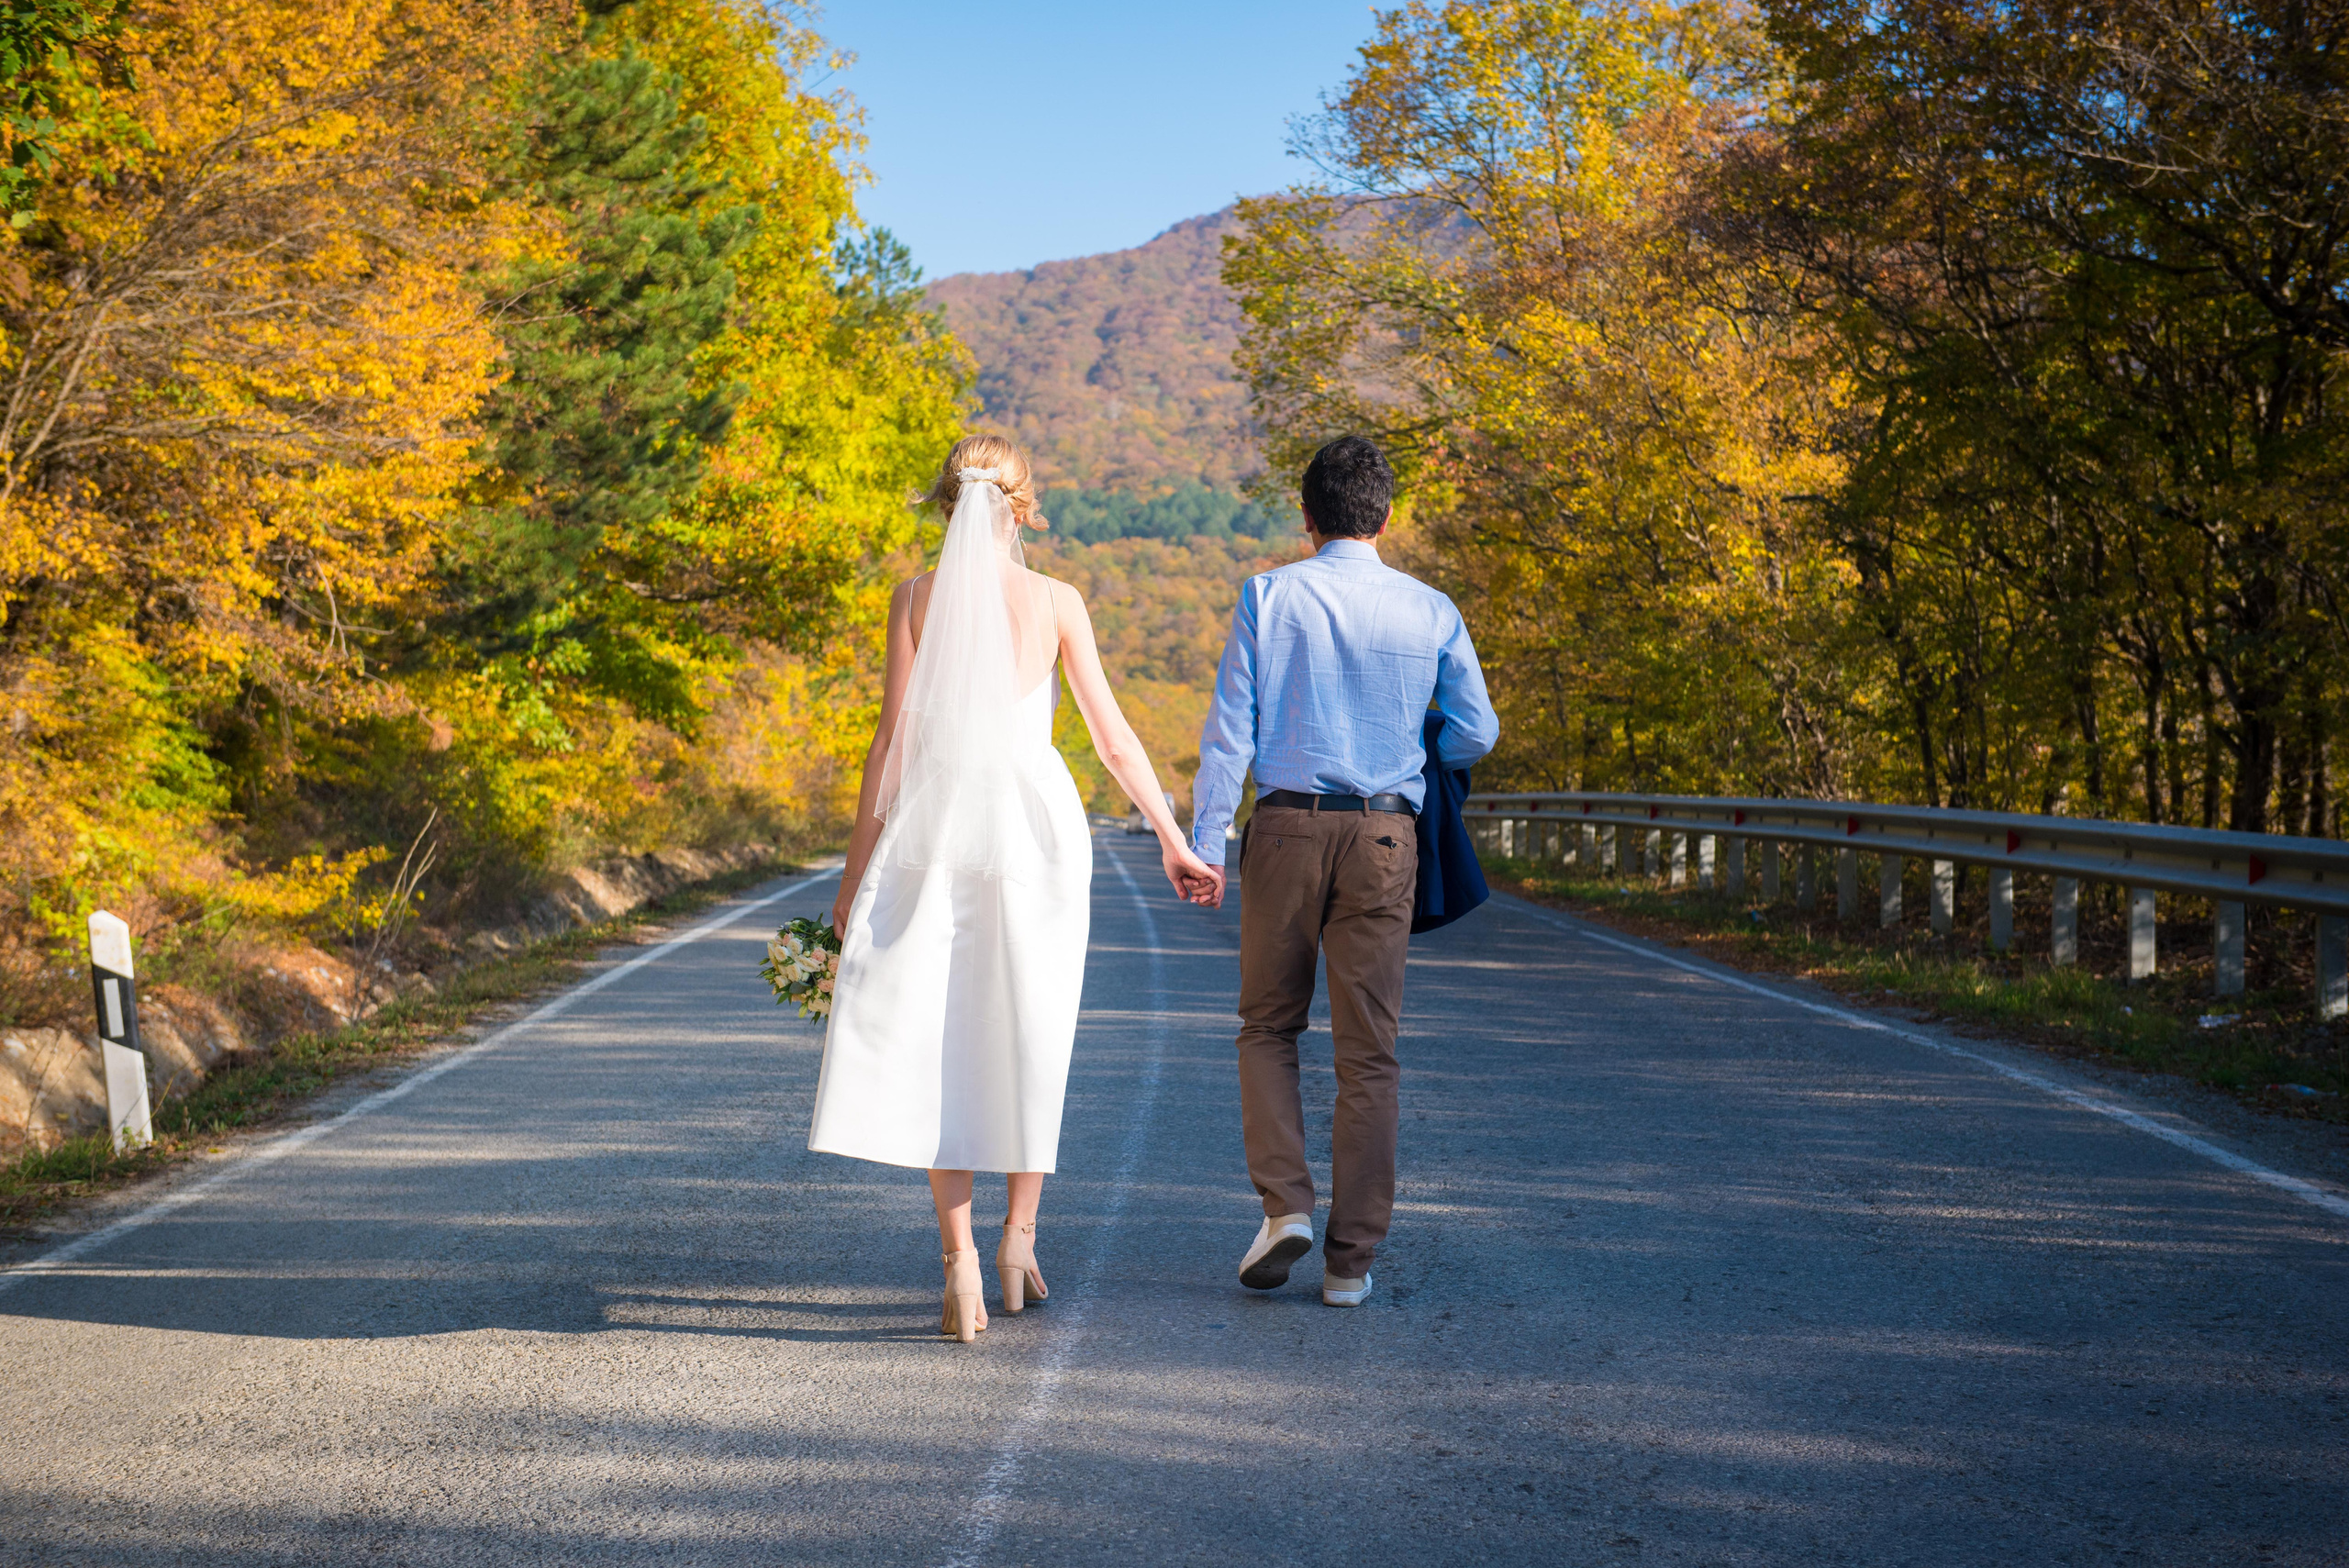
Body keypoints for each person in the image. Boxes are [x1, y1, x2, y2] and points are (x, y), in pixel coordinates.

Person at [808, 434, 1218, 1343]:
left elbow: (891, 744)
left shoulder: (912, 597)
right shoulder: (1057, 600)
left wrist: (852, 877)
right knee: (1031, 1027)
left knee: (934, 1034)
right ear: (1021, 506)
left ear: (945, 504)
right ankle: (1016, 1241)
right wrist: (1170, 835)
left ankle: (956, 1264)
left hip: (935, 824)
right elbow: (1113, 739)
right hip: (1035, 829)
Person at [1189, 435, 1497, 1307]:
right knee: (1371, 1055)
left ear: (1308, 516)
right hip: (1385, 839)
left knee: (1266, 1026)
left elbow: (1230, 733)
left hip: (1285, 828)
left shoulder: (1268, 594)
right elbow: (1478, 730)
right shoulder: (1431, 608)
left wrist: (1207, 842)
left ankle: (1285, 1205)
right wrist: (1420, 740)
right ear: (1386, 517)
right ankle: (1349, 1263)